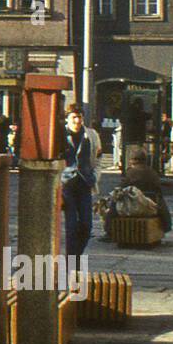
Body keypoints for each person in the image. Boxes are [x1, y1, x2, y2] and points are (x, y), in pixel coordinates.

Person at [61, 104, 96, 261]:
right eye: (73, 117)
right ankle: (71, 261)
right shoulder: (60, 135)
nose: (77, 120)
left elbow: (98, 157)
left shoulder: (91, 135)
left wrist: (96, 176)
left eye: (79, 117)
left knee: (87, 226)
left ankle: (74, 256)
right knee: (71, 227)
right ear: (68, 119)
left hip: (85, 183)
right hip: (66, 184)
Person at [122, 147, 172, 232]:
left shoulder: (130, 172)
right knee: (160, 200)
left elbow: (122, 188)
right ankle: (166, 226)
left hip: (133, 204)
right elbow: (158, 189)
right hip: (151, 203)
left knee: (115, 202)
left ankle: (109, 230)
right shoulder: (152, 172)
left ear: (132, 160)